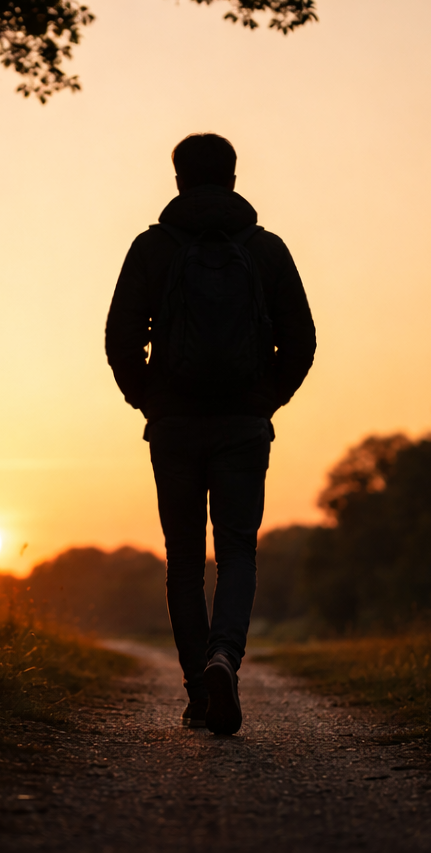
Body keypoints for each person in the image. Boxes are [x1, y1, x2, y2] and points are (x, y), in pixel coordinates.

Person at [105, 133, 316, 735]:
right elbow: (301, 341)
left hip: (173, 425)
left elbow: (120, 339)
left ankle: (200, 688)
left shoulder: (152, 248)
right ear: (231, 177)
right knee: (239, 551)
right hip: (242, 426)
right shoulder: (266, 249)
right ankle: (226, 657)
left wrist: (152, 401)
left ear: (178, 180)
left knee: (183, 562)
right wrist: (263, 400)